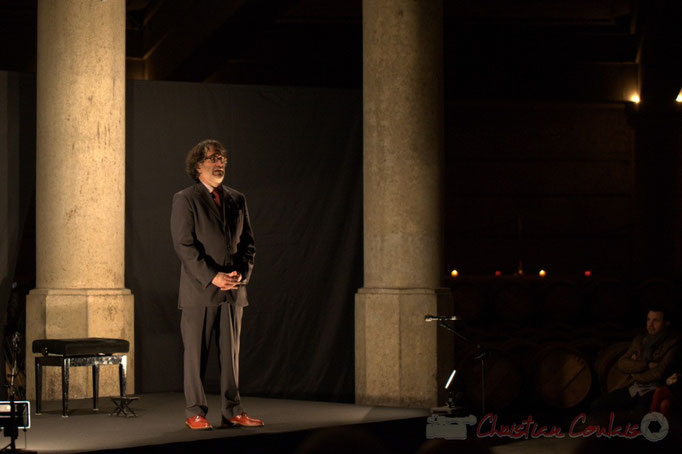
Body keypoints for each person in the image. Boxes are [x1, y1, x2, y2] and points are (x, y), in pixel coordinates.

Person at [170, 139, 263, 430]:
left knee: (231, 357)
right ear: (198, 166)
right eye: (212, 158)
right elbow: (184, 245)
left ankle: (232, 411)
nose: (219, 162)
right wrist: (213, 276)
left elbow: (248, 244)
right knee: (195, 356)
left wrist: (240, 274)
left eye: (221, 157)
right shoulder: (185, 198)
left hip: (233, 292)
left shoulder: (237, 199)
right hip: (200, 291)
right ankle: (195, 412)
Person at [590, 306, 679, 416]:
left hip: (654, 390)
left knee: (637, 417)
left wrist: (634, 373)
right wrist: (646, 365)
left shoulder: (672, 344)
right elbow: (622, 363)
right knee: (597, 405)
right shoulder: (639, 341)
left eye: (656, 320)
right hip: (634, 388)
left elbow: (659, 373)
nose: (650, 324)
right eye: (648, 319)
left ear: (666, 323)